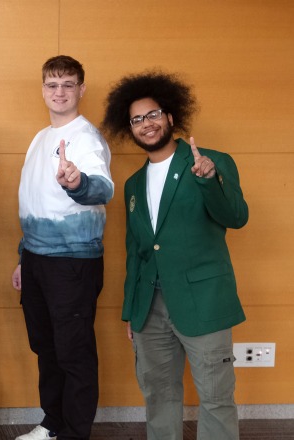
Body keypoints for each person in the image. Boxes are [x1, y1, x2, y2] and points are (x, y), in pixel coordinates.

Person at [102, 71, 248, 440]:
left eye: (153, 114)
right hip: (150, 307)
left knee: (215, 397)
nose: (146, 124)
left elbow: (236, 217)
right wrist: (131, 311)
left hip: (204, 301)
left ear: (169, 116)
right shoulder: (133, 184)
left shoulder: (210, 162)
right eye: (137, 120)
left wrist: (208, 179)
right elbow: (136, 251)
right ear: (129, 128)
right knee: (158, 395)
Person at [12, 55, 114, 440]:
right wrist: (25, 256)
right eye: (52, 85)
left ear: (81, 90)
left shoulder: (86, 138)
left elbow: (103, 187)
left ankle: (74, 432)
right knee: (46, 347)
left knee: (73, 352)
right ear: (43, 89)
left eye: (67, 84)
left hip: (73, 262)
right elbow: (34, 204)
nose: (59, 92)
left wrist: (78, 183)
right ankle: (53, 424)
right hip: (38, 259)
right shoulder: (41, 139)